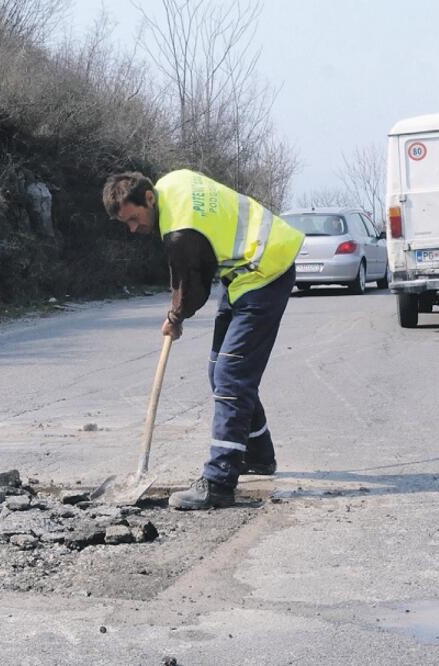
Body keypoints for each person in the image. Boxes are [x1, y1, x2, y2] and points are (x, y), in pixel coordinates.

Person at [102, 170, 304, 510]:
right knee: (220, 371)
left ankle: (220, 481)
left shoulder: (180, 231)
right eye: (126, 223)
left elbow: (192, 287)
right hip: (245, 271)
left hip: (264, 270)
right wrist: (176, 312)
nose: (133, 229)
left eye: (134, 219)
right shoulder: (171, 183)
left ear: (148, 198)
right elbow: (188, 268)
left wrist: (175, 318)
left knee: (231, 375)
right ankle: (257, 454)